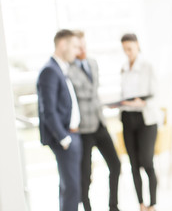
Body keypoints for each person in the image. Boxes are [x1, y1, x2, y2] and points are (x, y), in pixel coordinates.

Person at [67, 31, 121, 211]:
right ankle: (87, 208)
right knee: (86, 174)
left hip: (99, 123)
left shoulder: (93, 63)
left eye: (84, 45)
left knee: (115, 164)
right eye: (78, 46)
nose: (82, 49)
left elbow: (92, 92)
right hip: (83, 129)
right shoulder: (68, 69)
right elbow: (86, 93)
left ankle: (113, 206)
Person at [37, 29, 82, 211]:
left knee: (69, 188)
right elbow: (48, 110)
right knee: (71, 189)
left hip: (73, 136)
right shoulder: (50, 70)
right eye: (73, 46)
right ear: (62, 45)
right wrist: (64, 139)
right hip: (65, 139)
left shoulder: (60, 68)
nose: (76, 51)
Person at [119, 33, 159, 211]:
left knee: (147, 162)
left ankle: (153, 204)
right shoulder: (123, 67)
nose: (127, 53)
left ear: (137, 46)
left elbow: (156, 93)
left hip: (146, 118)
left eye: (130, 48)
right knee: (133, 164)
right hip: (128, 117)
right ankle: (141, 204)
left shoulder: (148, 66)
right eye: (124, 49)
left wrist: (141, 102)